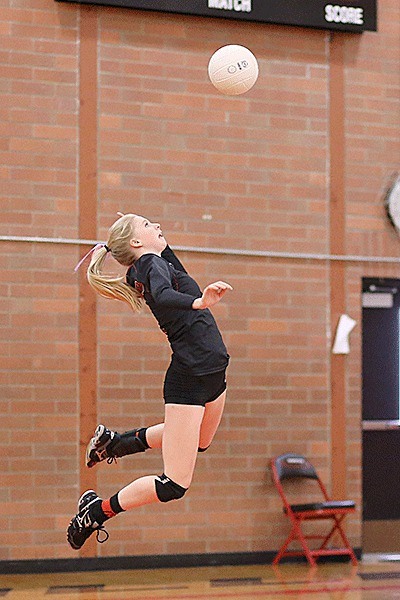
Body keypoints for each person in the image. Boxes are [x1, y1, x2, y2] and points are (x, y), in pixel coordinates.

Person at [67, 213, 232, 550]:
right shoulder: (151, 265)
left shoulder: (155, 260)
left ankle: (115, 444)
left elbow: (160, 252)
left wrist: (130, 230)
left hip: (211, 371)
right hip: (190, 376)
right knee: (174, 485)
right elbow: (164, 293)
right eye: (146, 224)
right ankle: (96, 512)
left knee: (200, 441)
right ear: (137, 243)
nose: (157, 223)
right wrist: (198, 302)